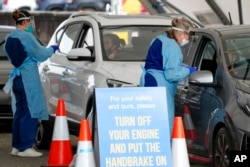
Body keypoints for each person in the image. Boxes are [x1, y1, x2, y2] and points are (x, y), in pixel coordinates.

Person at [3, 9, 58, 157]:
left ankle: (16, 146)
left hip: (16, 79)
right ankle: (26, 147)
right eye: (29, 21)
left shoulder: (9, 38)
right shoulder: (27, 37)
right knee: (30, 110)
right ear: (26, 21)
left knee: (20, 112)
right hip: (28, 78)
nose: (30, 24)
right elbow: (40, 54)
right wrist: (52, 49)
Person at [140, 17, 197, 137]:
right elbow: (171, 75)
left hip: (148, 82)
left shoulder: (159, 39)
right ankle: (164, 152)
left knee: (150, 123)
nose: (188, 39)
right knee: (164, 124)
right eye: (188, 35)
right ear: (182, 33)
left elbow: (161, 62)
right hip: (160, 87)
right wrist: (188, 70)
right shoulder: (173, 47)